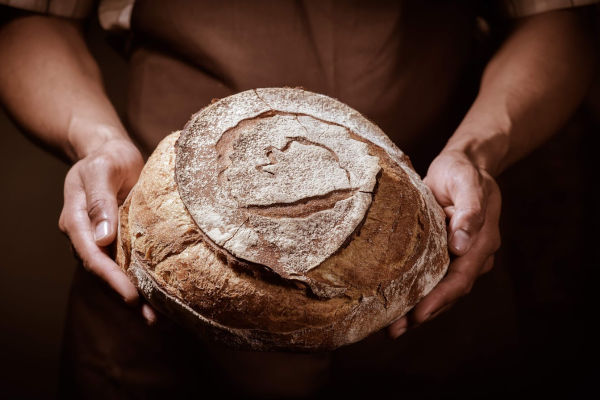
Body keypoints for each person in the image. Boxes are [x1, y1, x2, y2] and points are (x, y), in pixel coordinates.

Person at [0, 0, 597, 397]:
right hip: (161, 263)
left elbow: (559, 18)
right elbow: (31, 16)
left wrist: (476, 152)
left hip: (431, 260)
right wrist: (98, 141)